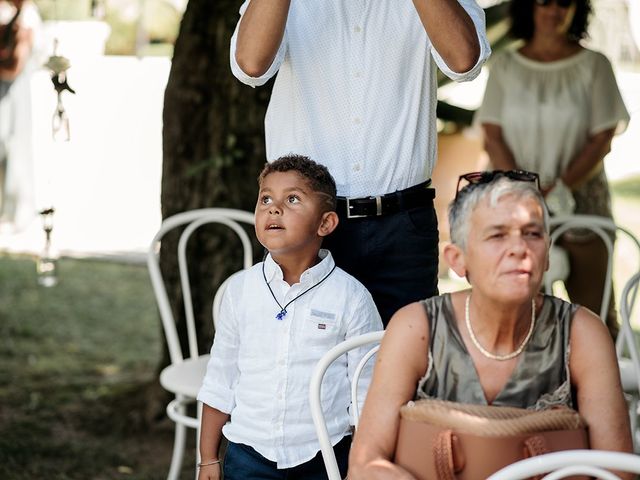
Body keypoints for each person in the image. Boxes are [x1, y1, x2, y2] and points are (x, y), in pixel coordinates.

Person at [349, 170, 632, 479]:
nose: (519, 248)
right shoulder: (416, 328)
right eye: (497, 235)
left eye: (533, 233)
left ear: (547, 254)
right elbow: (366, 464)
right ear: (457, 259)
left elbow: (616, 470)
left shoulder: (581, 333)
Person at [229, 1, 491, 325]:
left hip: (403, 225)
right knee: (304, 366)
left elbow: (464, 61)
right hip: (307, 223)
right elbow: (251, 64)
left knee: (409, 361)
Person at [197, 154, 383, 480]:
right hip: (248, 454)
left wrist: (363, 464)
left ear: (325, 223)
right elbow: (219, 380)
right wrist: (208, 459)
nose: (274, 208)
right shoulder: (240, 291)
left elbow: (365, 391)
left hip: (324, 454)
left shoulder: (351, 298)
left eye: (292, 199)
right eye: (265, 198)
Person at [475, 0, 630, 338]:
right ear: (528, 7)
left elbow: (602, 137)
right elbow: (492, 134)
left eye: (564, 2)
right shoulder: (506, 66)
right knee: (519, 317)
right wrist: (525, 189)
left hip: (582, 199)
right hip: (514, 203)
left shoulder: (594, 65)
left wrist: (560, 187)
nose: (553, 10)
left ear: (578, 9)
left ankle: (600, 388)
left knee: (597, 318)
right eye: (544, 1)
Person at [0, 0, 42, 231]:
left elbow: (14, 65)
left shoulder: (27, 17)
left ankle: (16, 214)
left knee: (15, 147)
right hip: (7, 93)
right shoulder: (10, 13)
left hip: (14, 92)